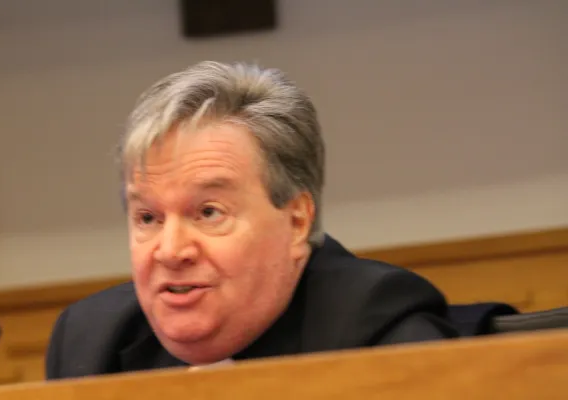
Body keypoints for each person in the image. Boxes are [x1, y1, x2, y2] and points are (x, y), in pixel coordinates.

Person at [45, 61, 458, 379]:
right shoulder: (91, 342)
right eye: (148, 217)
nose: (170, 251)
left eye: (209, 213)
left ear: (297, 222)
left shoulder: (377, 329)